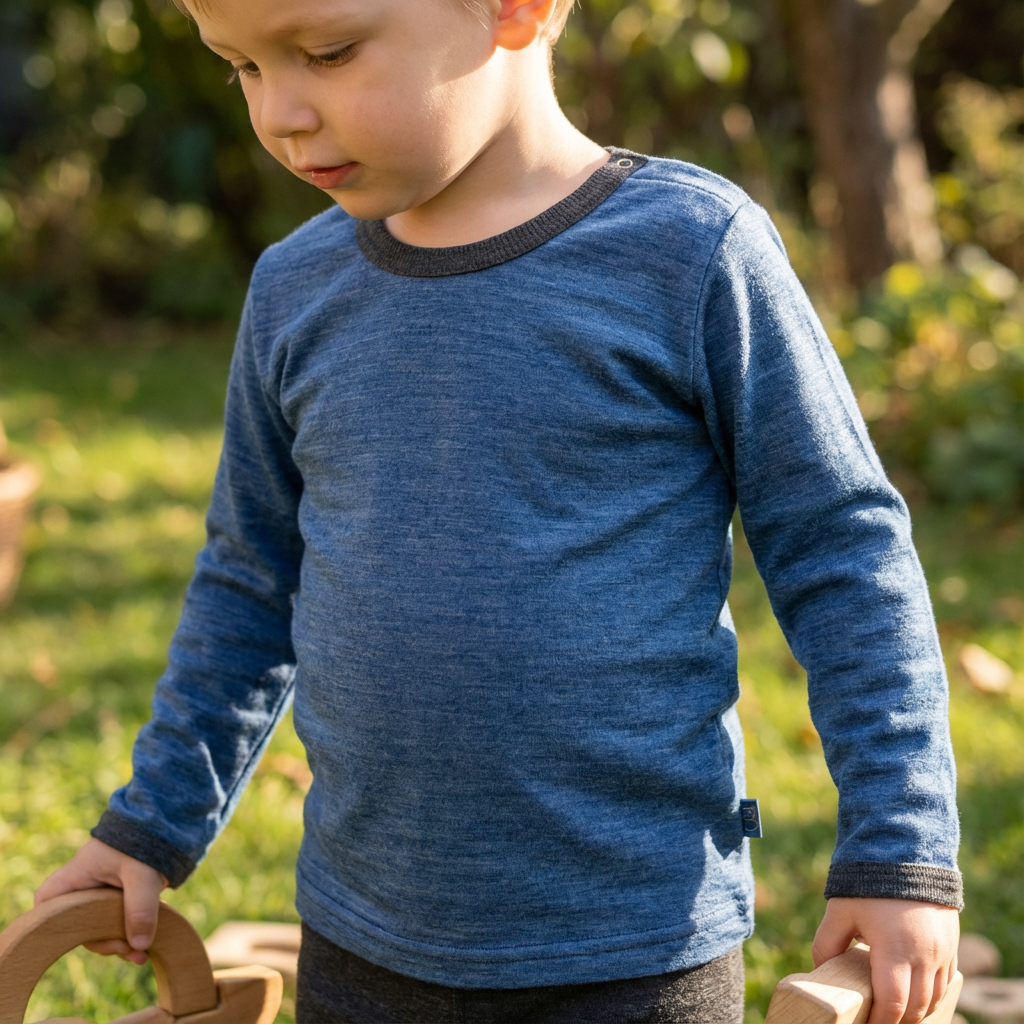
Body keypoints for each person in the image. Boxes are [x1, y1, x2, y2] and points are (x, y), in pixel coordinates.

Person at [34, 0, 963, 1020]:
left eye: (327, 52)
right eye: (240, 68)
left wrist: (899, 843)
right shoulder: (294, 290)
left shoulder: (690, 254)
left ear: (518, 9)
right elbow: (251, 581)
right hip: (362, 940)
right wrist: (150, 824)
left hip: (634, 948)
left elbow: (843, 551)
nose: (281, 114)